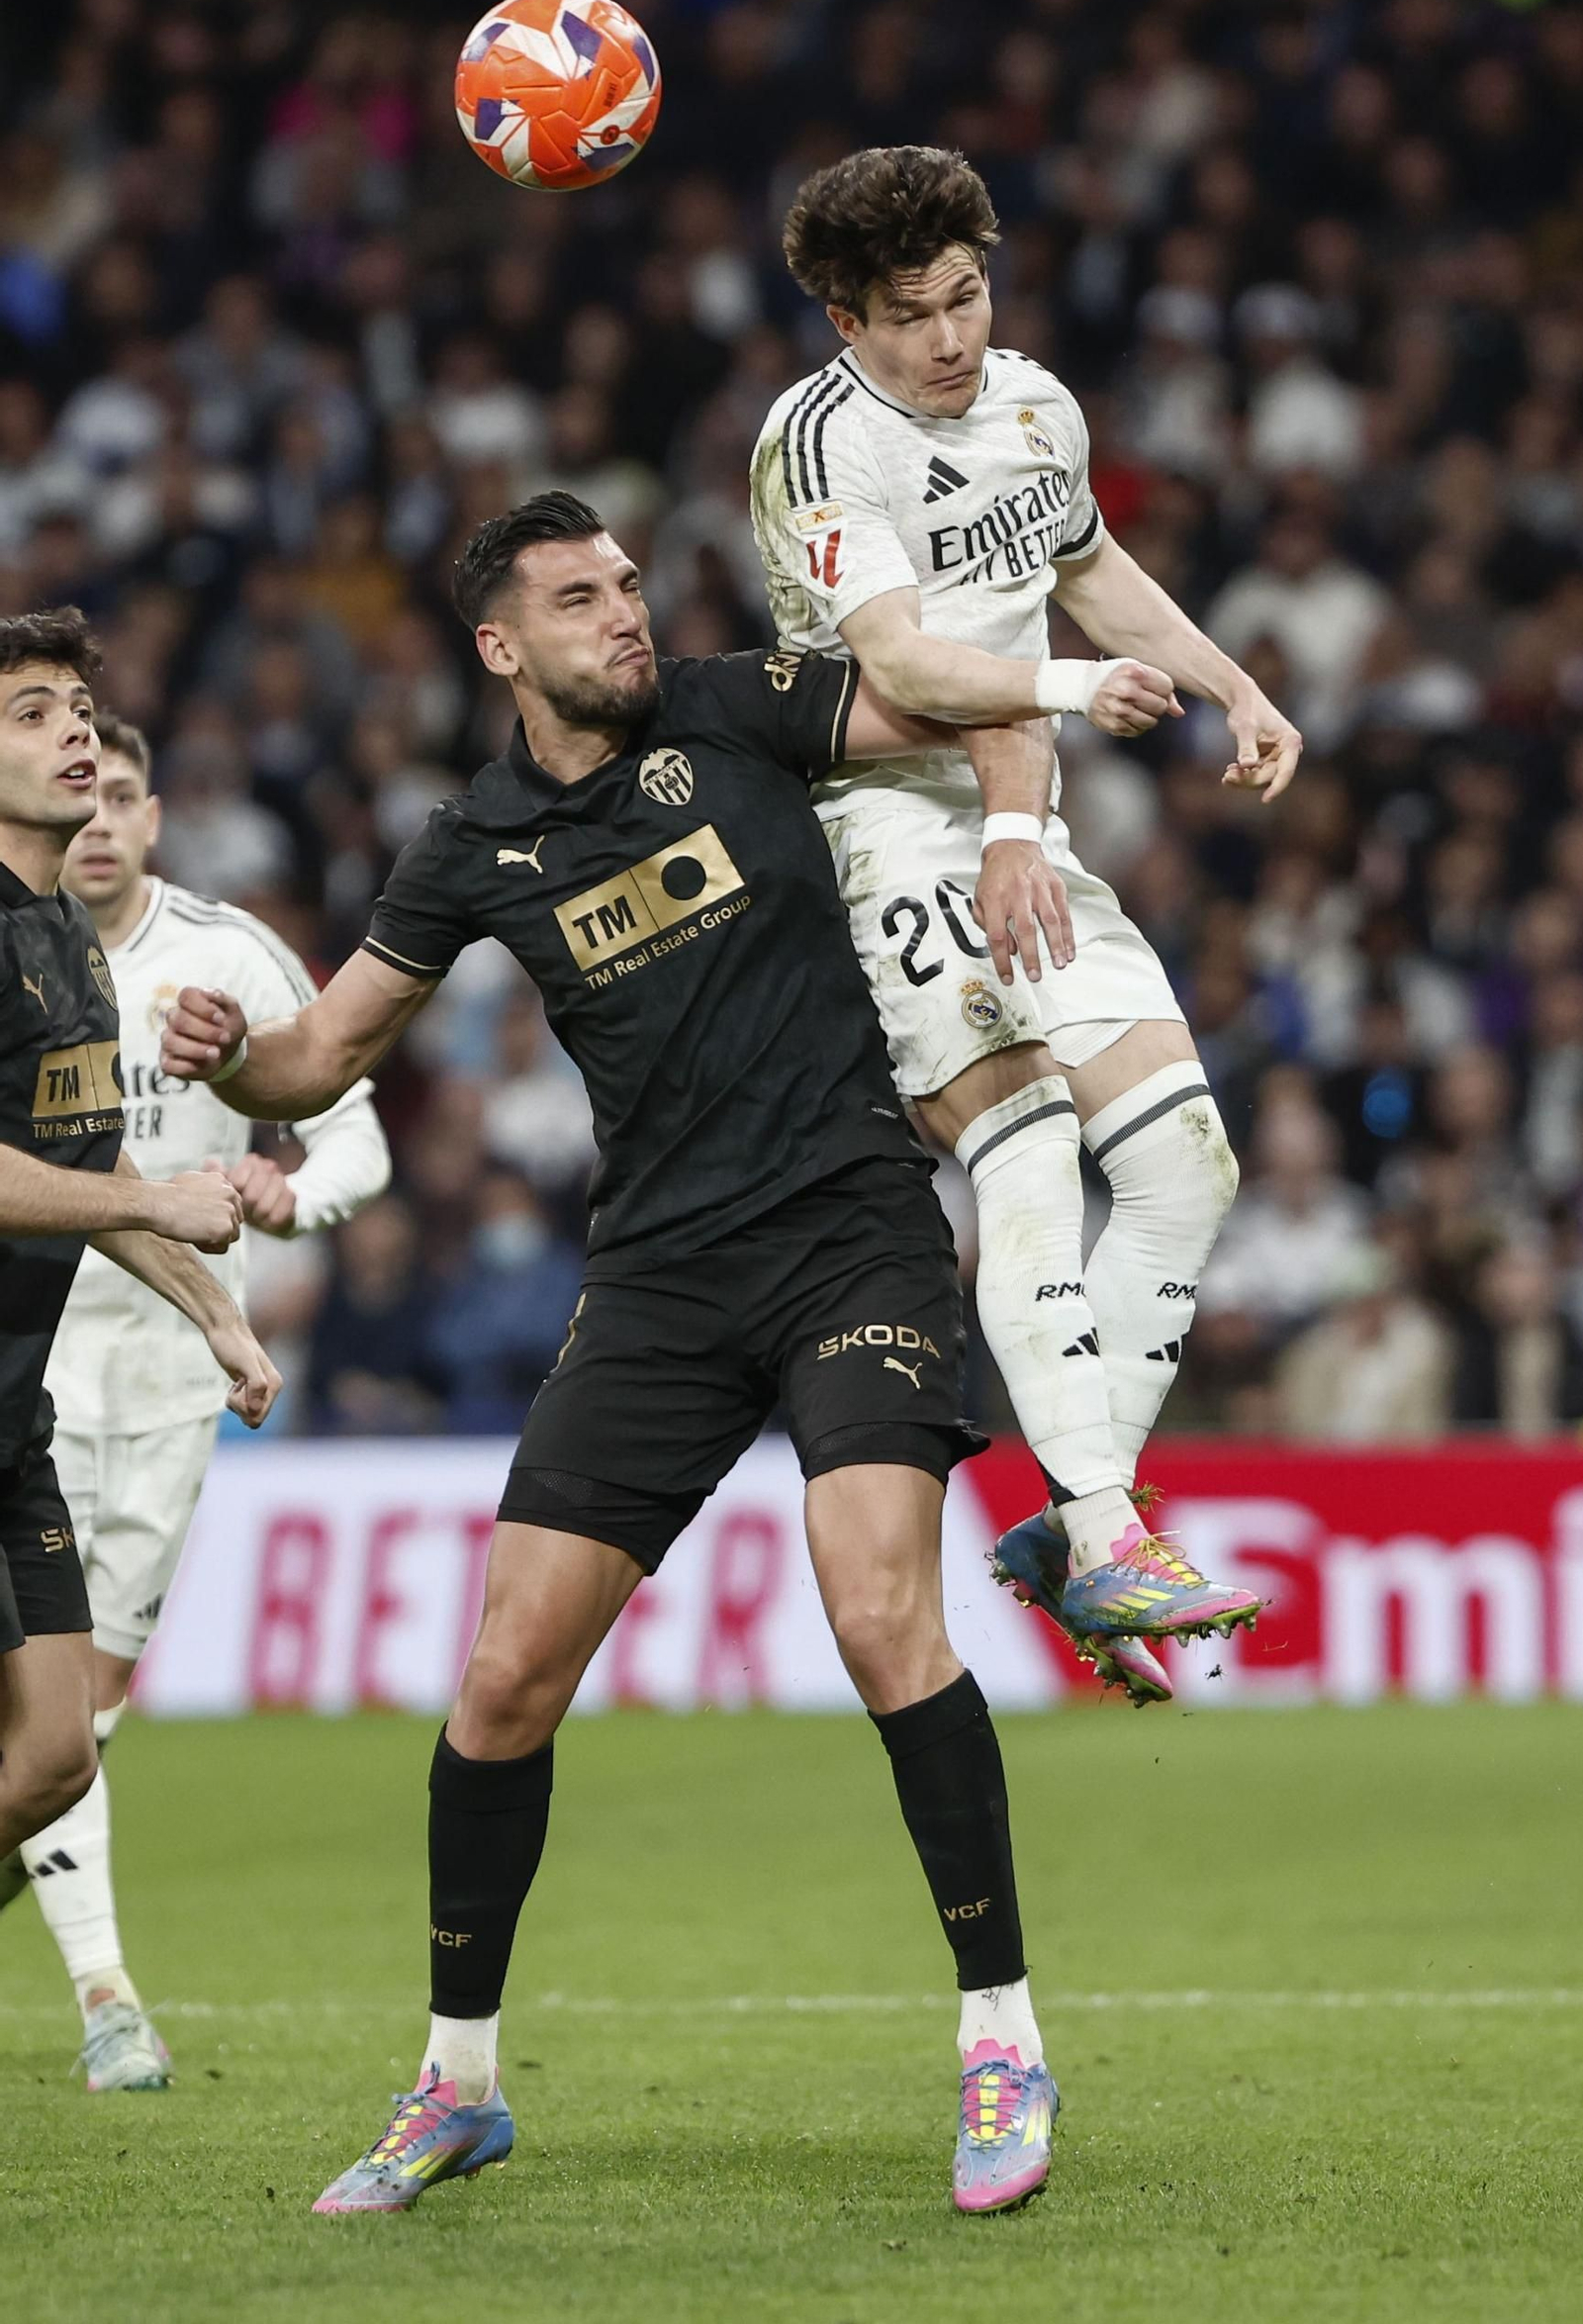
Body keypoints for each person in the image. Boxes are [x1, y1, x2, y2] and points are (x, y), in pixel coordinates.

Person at [162, 493, 1055, 2219]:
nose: (628, 615)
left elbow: (987, 698)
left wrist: (1016, 828)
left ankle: (1003, 2040)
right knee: (501, 1681)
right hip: (655, 1279)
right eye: (583, 599)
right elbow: (317, 1056)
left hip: (852, 1231)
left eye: (631, 584)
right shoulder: (474, 838)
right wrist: (230, 1051)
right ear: (505, 646)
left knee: (880, 1611)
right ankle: (456, 2084)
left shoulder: (736, 706)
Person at [750, 146, 1296, 1694]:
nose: (951, 338)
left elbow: (1091, 567)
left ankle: (1075, 1517)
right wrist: (1063, 693)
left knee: (1188, 1163)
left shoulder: (1039, 404)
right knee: (1032, 1132)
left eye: (970, 296)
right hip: (879, 827)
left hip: (1021, 824)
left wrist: (1229, 680)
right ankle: (1113, 1529)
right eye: (912, 313)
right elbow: (901, 664)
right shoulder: (814, 446)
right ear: (846, 320)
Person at [0, 710, 390, 2094]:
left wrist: (287, 1204)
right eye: (71, 775)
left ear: (157, 816)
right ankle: (108, 1996)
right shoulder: (21, 944)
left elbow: (354, 1130)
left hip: (159, 1378)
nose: (96, 808)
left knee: (74, 1726)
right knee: (41, 1723)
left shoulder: (224, 954)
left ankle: (65, 1925)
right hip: (28, 1356)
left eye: (120, 785)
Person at [0, 608, 279, 2001]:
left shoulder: (63, 935)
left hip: (11, 1419)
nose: (73, 736)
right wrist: (161, 1205)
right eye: (33, 712)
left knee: (55, 1754)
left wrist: (213, 1312)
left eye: (78, 712)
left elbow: (85, 1159)